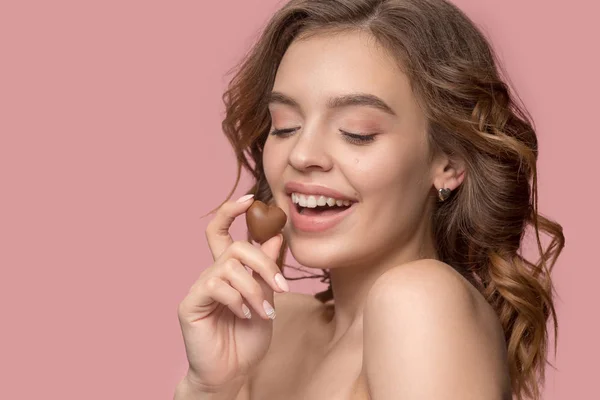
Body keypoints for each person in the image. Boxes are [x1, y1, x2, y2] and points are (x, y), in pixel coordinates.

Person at [174, 0, 565, 399]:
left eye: (357, 132)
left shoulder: (420, 301)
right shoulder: (276, 325)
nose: (302, 155)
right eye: (285, 126)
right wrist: (208, 388)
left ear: (449, 163)